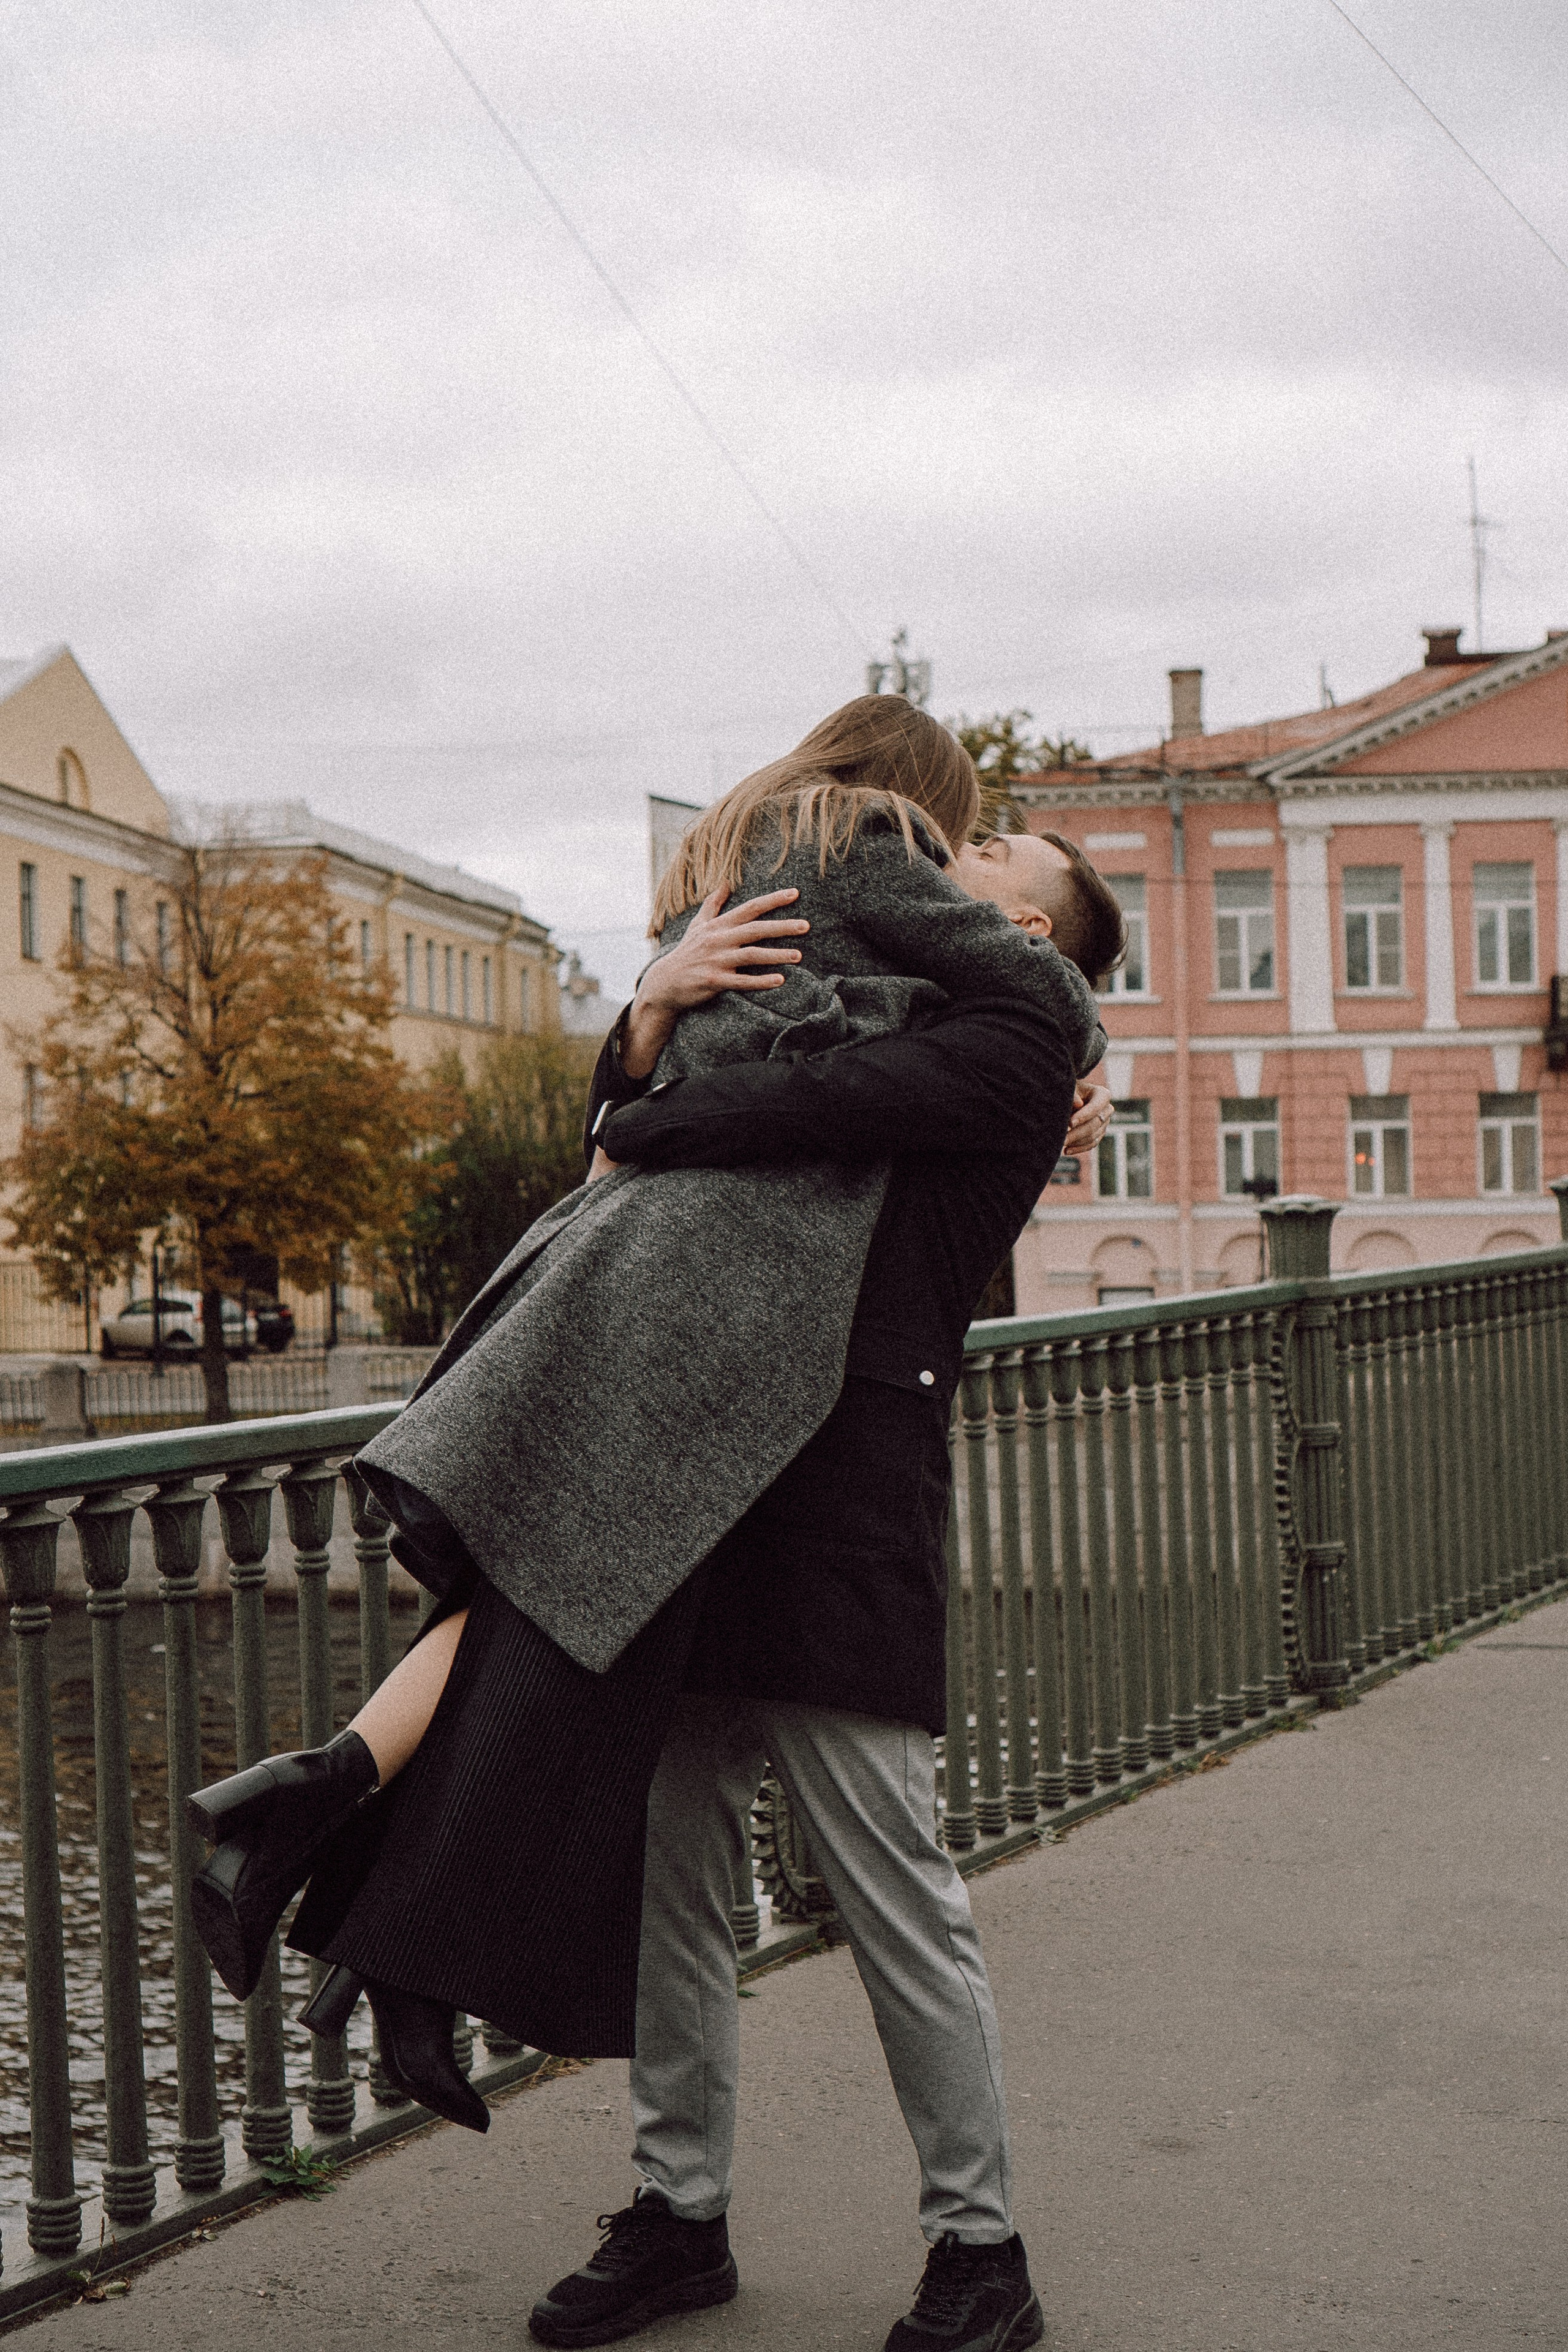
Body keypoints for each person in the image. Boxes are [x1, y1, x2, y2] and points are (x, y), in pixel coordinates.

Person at [185, 705, 1121, 2348]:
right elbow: (678, 1157)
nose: (954, 865)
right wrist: (645, 1022)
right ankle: (678, 2215)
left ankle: (985, 2253)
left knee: (898, 1894)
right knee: (681, 1891)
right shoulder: (879, 996)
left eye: (990, 864)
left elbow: (753, 1120)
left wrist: (646, 1100)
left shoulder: (1018, 1057)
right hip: (694, 1495)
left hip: (834, 1517)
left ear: (1026, 925)